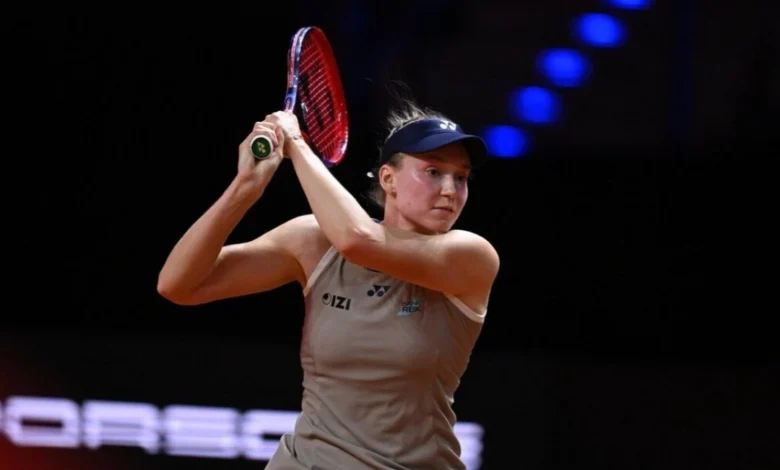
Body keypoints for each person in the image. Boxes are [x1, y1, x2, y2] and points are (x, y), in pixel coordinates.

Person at [157, 98, 500, 470]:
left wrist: (296, 144)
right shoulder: (315, 242)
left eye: (461, 177)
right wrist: (244, 189)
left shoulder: (470, 256)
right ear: (388, 179)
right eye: (433, 171)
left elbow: (359, 241)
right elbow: (179, 284)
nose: (450, 189)